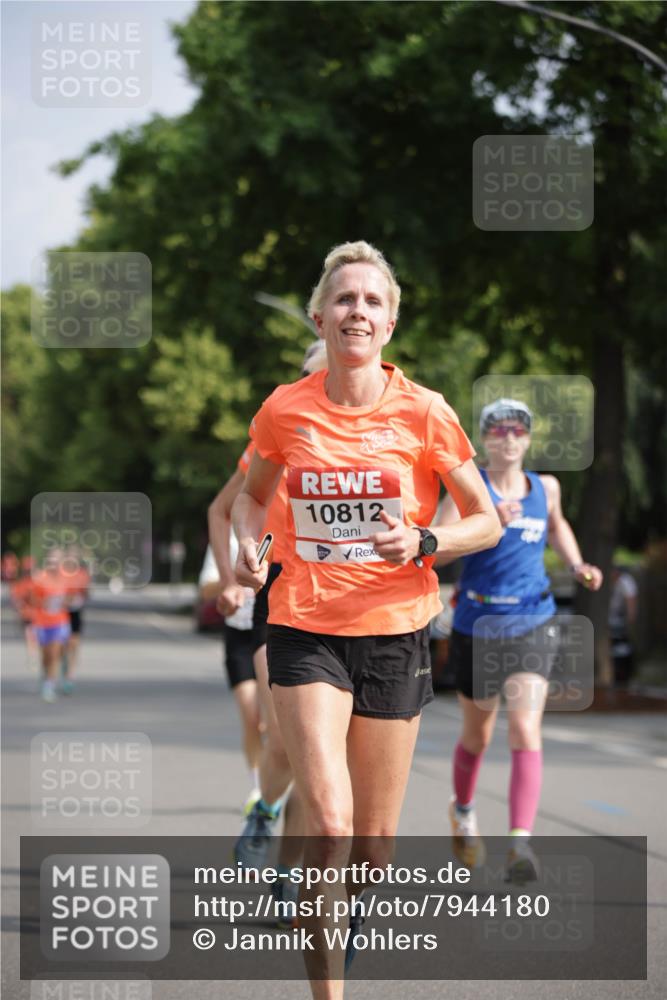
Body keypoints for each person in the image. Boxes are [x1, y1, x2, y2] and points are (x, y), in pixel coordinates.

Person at [232, 241, 501, 996]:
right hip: (304, 627)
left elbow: (483, 521)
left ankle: (332, 944)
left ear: (388, 324)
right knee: (329, 822)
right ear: (320, 317)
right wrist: (248, 552)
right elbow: (252, 497)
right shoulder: (286, 408)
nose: (357, 310)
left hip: (394, 632)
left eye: (372, 301)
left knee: (372, 852)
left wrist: (424, 539)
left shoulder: (425, 411)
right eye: (344, 299)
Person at [438, 397, 603, 883]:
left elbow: (557, 526)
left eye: (518, 430)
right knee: (478, 734)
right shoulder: (469, 489)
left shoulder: (546, 487)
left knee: (525, 730)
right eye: (499, 430)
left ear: (528, 439)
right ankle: (464, 810)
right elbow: (438, 550)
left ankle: (519, 844)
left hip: (534, 619)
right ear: (485, 439)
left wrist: (576, 565)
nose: (509, 437)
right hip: (478, 624)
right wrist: (488, 526)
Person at [210, 340, 329, 926]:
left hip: (345, 603)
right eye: (312, 373)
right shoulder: (280, 427)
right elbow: (222, 508)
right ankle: (263, 810)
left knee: (320, 767)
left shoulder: (377, 428)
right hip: (274, 589)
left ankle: (291, 877)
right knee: (286, 738)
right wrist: (237, 568)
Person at [198, 541, 262, 813]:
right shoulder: (227, 539)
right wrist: (233, 577)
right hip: (239, 634)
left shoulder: (279, 523)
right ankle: (259, 788)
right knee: (252, 718)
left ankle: (281, 782)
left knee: (277, 722)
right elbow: (205, 589)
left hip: (276, 631)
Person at [28, 549, 72, 703]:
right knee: (45, 656)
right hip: (42, 622)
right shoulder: (40, 578)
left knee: (54, 653)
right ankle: (45, 675)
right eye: (51, 561)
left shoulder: (66, 578)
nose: (54, 564)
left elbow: (70, 598)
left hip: (60, 621)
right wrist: (44, 603)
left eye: (57, 561)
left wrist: (65, 602)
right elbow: (32, 600)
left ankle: (49, 685)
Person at [60, 546, 90, 694]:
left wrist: (80, 596)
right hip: (61, 613)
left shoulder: (82, 574)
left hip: (76, 612)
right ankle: (63, 666)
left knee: (74, 644)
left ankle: (70, 676)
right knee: (62, 645)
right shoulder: (61, 573)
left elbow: (86, 593)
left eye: (75, 557)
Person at [609, 565, 639, 688]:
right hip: (611, 619)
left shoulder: (626, 581)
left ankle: (623, 676)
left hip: (620, 621)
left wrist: (630, 619)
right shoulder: (611, 582)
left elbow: (631, 600)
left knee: (622, 648)